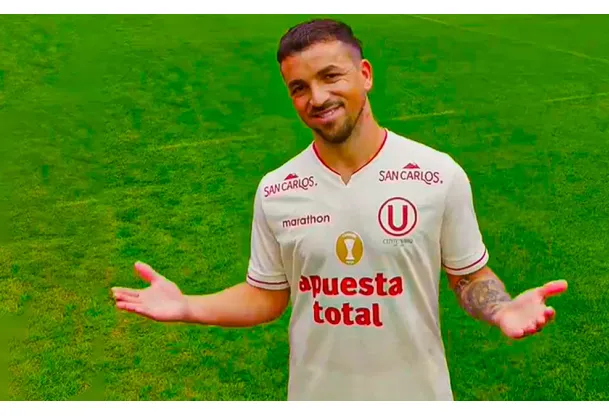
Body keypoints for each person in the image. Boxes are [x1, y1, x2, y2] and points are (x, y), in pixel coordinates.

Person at [111, 18, 568, 401]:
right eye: (299, 87)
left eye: (331, 76)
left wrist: (503, 309)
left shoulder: (436, 174)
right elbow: (267, 295)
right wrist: (186, 305)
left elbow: (468, 275)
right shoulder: (277, 190)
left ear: (365, 74)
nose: (317, 98)